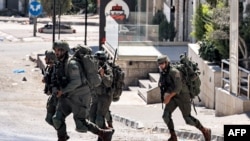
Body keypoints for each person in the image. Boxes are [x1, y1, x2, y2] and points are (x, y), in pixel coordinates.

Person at [51, 40, 114, 141]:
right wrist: (55, 89)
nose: (56, 53)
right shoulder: (59, 64)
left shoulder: (72, 64)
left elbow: (76, 82)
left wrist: (63, 91)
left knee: (81, 124)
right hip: (68, 96)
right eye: (55, 50)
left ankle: (104, 133)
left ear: (64, 51)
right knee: (57, 119)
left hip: (80, 96)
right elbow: (55, 80)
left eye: (59, 50)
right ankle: (62, 138)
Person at [157, 55, 211, 141]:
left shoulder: (174, 72)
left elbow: (178, 88)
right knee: (166, 116)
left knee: (188, 119)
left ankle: (205, 130)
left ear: (166, 63)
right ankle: (173, 136)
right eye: (159, 64)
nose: (161, 65)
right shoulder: (164, 72)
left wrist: (168, 97)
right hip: (173, 96)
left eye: (162, 63)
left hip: (183, 96)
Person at [42, 50, 70, 141]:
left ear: (50, 58)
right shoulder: (49, 68)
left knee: (57, 119)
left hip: (60, 97)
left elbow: (62, 82)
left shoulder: (57, 68)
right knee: (49, 119)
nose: (45, 59)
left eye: (46, 57)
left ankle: (62, 137)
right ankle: (63, 133)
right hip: (53, 96)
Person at [89, 51, 114, 141]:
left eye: (98, 60)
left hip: (105, 97)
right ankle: (105, 133)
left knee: (99, 119)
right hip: (95, 96)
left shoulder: (107, 69)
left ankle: (105, 135)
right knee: (91, 118)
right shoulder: (94, 69)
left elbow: (109, 83)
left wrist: (103, 75)